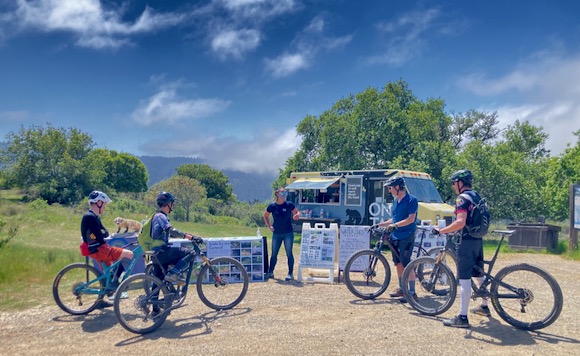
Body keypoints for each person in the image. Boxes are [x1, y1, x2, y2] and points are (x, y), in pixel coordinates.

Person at [434, 169, 488, 328]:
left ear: (460, 183)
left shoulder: (462, 199)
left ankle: (462, 318)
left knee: (464, 280)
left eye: (453, 182)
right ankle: (484, 306)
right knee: (479, 273)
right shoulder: (475, 196)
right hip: (478, 240)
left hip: (466, 241)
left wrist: (441, 230)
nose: (452, 186)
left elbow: (460, 222)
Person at [373, 176, 418, 303]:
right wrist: (380, 224)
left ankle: (413, 292)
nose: (389, 190)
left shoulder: (411, 200)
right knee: (398, 263)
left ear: (398, 187)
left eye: (390, 187)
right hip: (396, 235)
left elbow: (410, 219)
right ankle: (402, 288)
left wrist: (395, 225)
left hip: (407, 235)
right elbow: (394, 219)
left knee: (406, 264)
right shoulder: (395, 201)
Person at [81, 190, 133, 290]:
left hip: (99, 248)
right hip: (99, 249)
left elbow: (105, 232)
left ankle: (106, 293)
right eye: (104, 204)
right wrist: (99, 235)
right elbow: (93, 235)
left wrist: (100, 234)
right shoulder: (89, 217)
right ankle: (118, 284)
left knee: (110, 271)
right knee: (129, 254)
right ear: (99, 202)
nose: (105, 207)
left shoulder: (95, 217)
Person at [150, 191, 202, 284]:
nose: (173, 206)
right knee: (191, 253)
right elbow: (172, 230)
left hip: (156, 254)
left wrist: (189, 235)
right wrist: (190, 237)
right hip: (163, 252)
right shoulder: (161, 216)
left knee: (158, 281)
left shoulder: (156, 216)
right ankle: (174, 274)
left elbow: (168, 233)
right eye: (172, 203)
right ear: (168, 204)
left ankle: (154, 298)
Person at [263, 187, 300, 281]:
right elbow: (265, 216)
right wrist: (269, 226)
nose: (284, 195)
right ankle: (270, 272)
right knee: (274, 254)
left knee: (289, 253)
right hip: (276, 233)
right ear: (277, 195)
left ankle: (290, 273)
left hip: (288, 233)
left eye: (285, 193)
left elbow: (297, 212)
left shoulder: (289, 204)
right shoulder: (272, 206)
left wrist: (297, 215)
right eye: (282, 193)